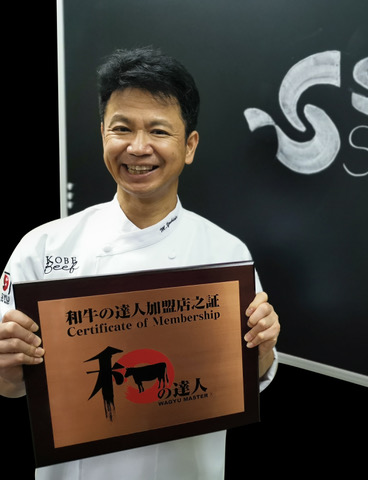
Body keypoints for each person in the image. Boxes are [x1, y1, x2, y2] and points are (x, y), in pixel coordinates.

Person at [0, 46, 280, 479]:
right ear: (103, 135)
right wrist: (6, 362)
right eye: (122, 128)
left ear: (189, 146)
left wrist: (261, 350)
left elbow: (249, 378)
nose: (138, 147)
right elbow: (13, 385)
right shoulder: (42, 248)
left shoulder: (227, 255)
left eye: (158, 131)